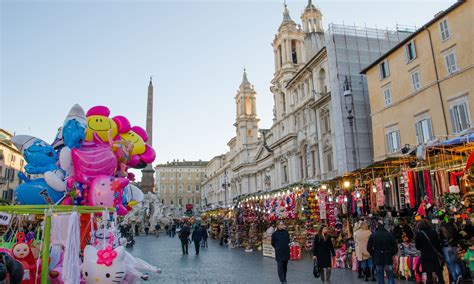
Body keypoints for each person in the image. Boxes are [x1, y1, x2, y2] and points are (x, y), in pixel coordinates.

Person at [367, 220, 398, 284]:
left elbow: (368, 248)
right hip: (388, 257)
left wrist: (374, 253)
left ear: (377, 226)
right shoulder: (389, 234)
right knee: (390, 276)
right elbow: (395, 247)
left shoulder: (373, 235)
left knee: (380, 276)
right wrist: (391, 253)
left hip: (378, 257)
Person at [415, 219, 445, 284]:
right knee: (439, 274)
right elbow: (438, 244)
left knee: (429, 274)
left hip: (425, 256)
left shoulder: (419, 234)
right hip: (434, 255)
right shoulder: (434, 232)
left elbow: (417, 247)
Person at [439, 217, 462, 283]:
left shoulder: (441, 227)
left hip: (446, 247)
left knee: (450, 263)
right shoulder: (454, 227)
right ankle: (459, 274)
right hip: (454, 246)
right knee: (455, 261)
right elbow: (458, 237)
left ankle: (455, 278)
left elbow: (439, 238)